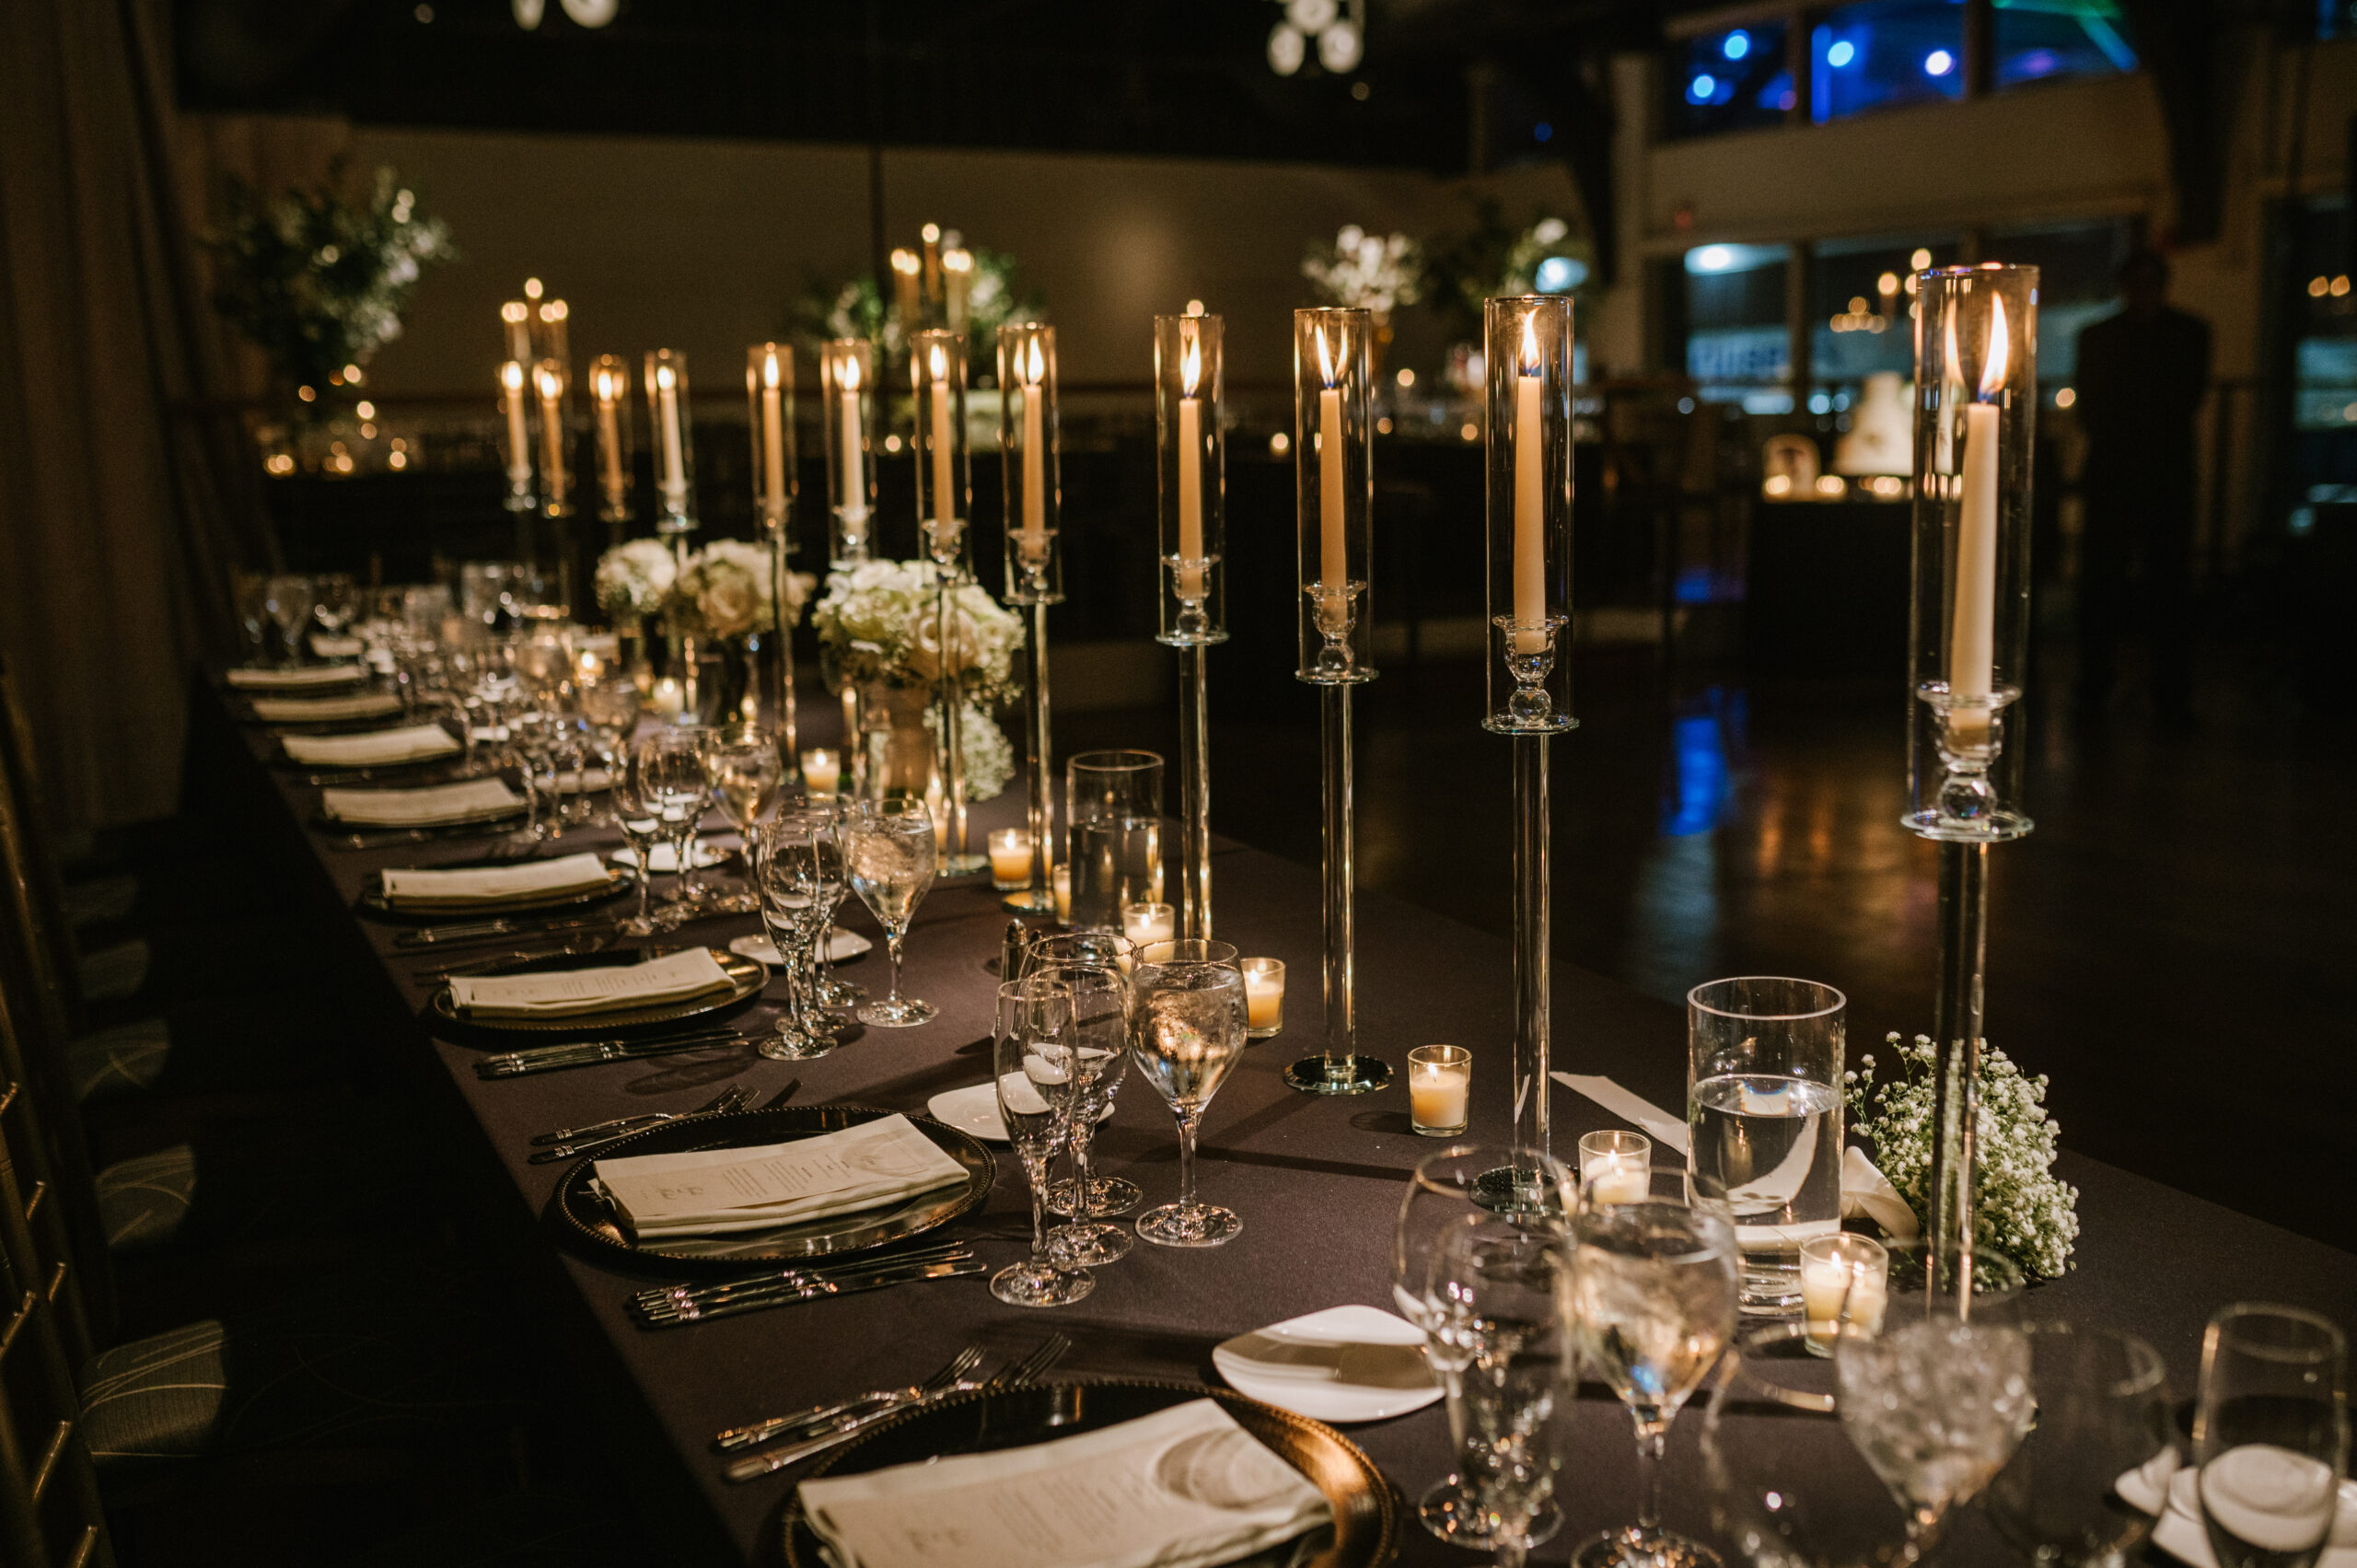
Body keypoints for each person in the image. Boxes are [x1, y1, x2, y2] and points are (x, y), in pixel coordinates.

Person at [2072, 248, 2212, 723]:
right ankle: (2096, 687)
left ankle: (2168, 693)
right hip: (2124, 475)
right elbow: (2092, 406)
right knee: (2103, 585)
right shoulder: (2102, 338)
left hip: (2159, 477)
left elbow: (2182, 401)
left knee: (2167, 586)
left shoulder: (2185, 335)